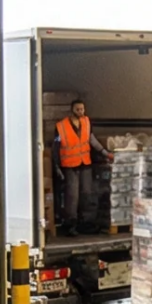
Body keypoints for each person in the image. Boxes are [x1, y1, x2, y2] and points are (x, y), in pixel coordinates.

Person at [54, 99, 111, 235]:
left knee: (87, 193)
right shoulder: (61, 126)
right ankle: (70, 224)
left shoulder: (86, 122)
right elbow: (56, 146)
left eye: (82, 109)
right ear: (72, 110)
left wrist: (105, 153)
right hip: (70, 165)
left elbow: (92, 140)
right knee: (72, 196)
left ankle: (86, 222)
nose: (80, 111)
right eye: (78, 109)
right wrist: (56, 166)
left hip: (85, 163)